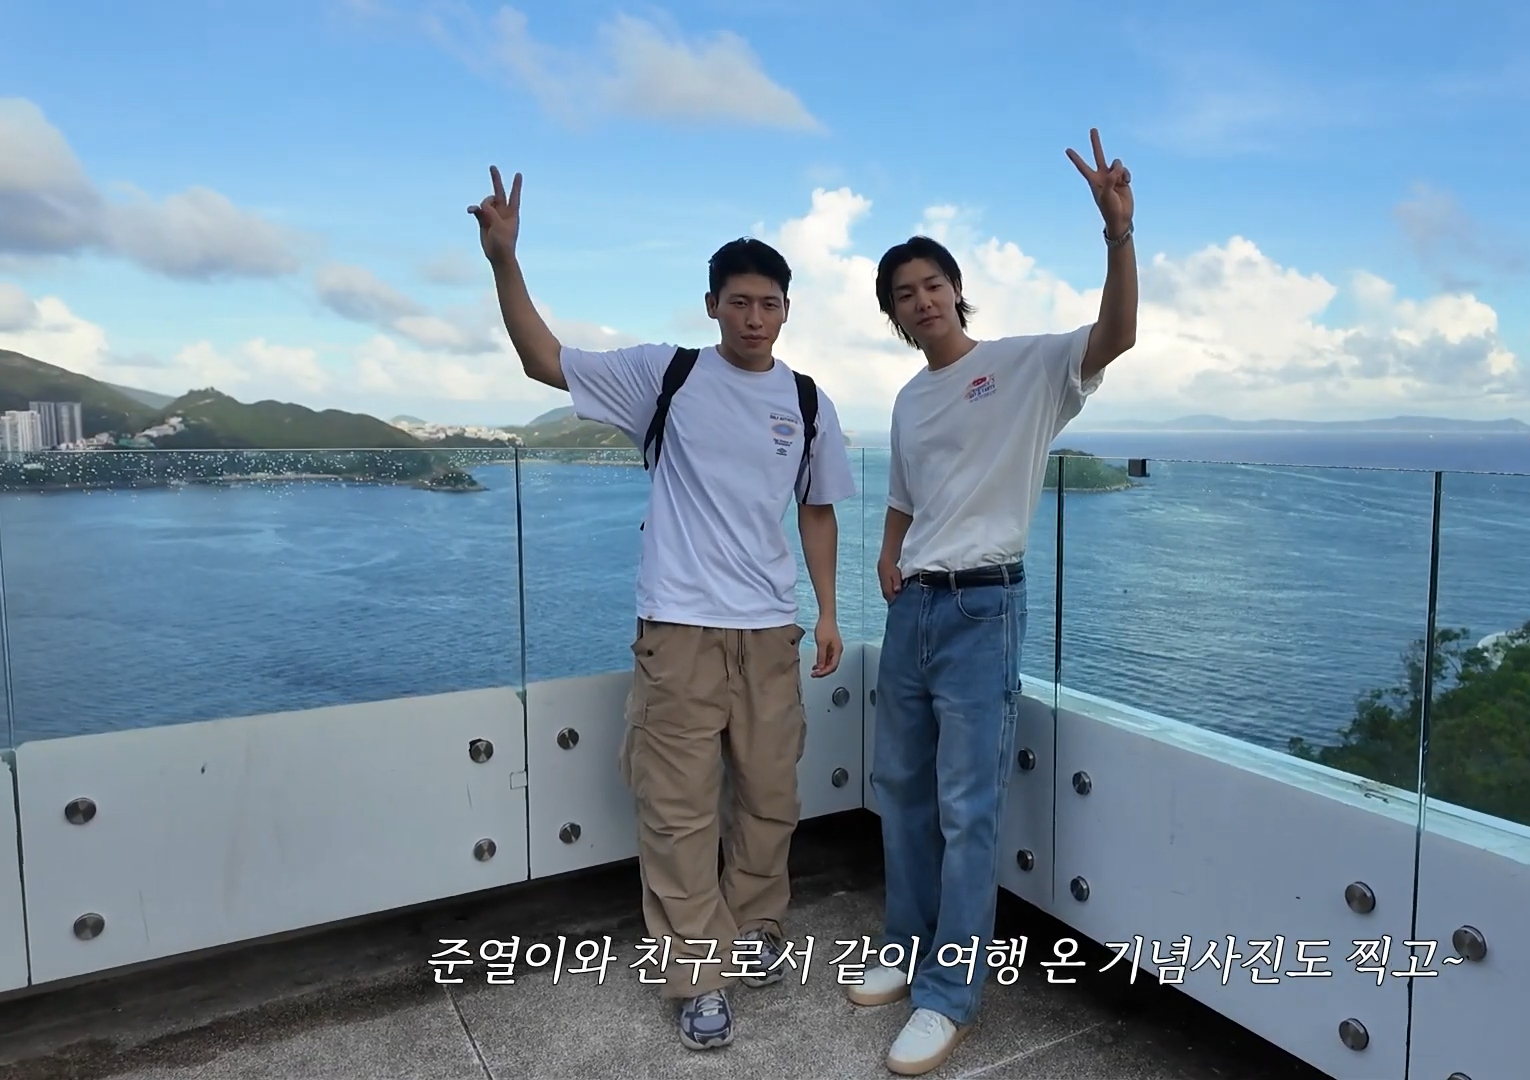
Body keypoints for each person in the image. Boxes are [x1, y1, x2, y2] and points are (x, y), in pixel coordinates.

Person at [468, 166, 856, 1051]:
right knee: (677, 807)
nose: (756, 318)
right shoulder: (665, 376)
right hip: (678, 628)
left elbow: (818, 509)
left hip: (769, 631)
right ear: (712, 305)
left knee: (769, 796)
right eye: (740, 302)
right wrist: (504, 261)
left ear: (787, 310)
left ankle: (752, 928)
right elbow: (543, 360)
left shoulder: (807, 401)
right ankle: (696, 975)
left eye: (771, 303)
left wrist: (827, 612)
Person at [848, 129, 1138, 1075]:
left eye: (932, 284)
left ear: (956, 289)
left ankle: (950, 993)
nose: (920, 300)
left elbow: (1117, 336)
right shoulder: (906, 400)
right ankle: (907, 942)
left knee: (968, 807)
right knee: (900, 792)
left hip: (984, 610)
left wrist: (1118, 236)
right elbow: (902, 495)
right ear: (893, 313)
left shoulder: (1022, 367)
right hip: (915, 611)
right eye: (904, 293)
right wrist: (889, 564)